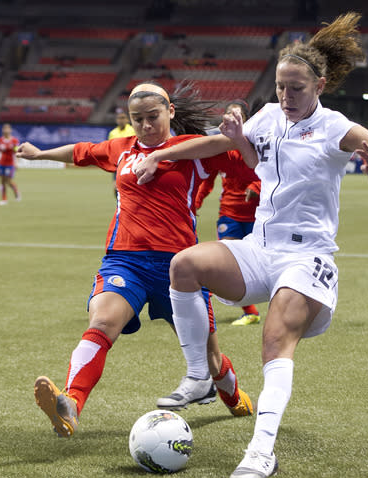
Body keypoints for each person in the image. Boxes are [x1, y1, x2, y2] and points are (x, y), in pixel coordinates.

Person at [133, 13, 368, 478]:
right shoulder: (268, 115)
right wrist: (164, 153)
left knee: (273, 337)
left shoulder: (334, 126)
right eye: (281, 87)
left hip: (308, 257)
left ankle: (262, 450)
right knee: (184, 265)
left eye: (296, 88)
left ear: (319, 85)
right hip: (259, 248)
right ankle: (200, 376)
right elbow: (219, 145)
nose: (286, 96)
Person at [16, 81, 258, 438]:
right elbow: (82, 151)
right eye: (137, 119)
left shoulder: (194, 151)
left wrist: (242, 139)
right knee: (102, 323)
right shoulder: (121, 149)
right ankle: (70, 404)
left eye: (153, 117)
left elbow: (247, 157)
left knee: (210, 358)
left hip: (180, 270)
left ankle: (231, 394)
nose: (145, 126)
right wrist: (40, 155)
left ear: (170, 112)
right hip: (124, 261)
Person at [195, 99, 262, 326]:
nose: (232, 119)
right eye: (228, 115)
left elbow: (270, 175)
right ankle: (249, 312)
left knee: (258, 264)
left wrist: (256, 188)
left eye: (237, 116)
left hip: (257, 216)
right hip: (229, 214)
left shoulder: (254, 147)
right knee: (227, 260)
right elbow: (206, 182)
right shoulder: (220, 150)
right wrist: (194, 205)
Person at [108, 108, 136, 197]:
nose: (121, 120)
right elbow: (110, 148)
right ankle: (120, 205)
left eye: (123, 118)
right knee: (116, 187)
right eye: (119, 118)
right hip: (117, 163)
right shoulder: (113, 133)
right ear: (116, 120)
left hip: (131, 162)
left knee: (130, 186)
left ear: (127, 119)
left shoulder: (132, 130)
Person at [0, 123, 21, 205]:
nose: (6, 130)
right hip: (1, 163)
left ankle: (16, 192)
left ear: (10, 130)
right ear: (2, 130)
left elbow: (17, 152)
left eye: (8, 129)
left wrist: (17, 163)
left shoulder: (14, 141)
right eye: (4, 129)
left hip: (10, 164)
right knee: (2, 182)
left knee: (8, 181)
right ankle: (4, 199)